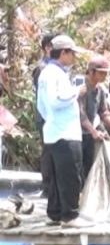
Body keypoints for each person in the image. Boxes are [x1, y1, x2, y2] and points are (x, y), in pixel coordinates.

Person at [36, 35, 92, 228]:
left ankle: (55, 214)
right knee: (69, 175)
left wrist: (50, 120)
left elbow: (42, 107)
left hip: (53, 131)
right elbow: (55, 100)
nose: (74, 58)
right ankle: (69, 215)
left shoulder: (47, 73)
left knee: (55, 176)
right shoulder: (54, 74)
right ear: (64, 53)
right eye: (72, 53)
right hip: (64, 133)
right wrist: (77, 92)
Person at [78, 56, 110, 180]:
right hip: (76, 135)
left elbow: (103, 112)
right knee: (77, 170)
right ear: (92, 71)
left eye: (106, 73)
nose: (105, 76)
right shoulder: (81, 87)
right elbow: (80, 113)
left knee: (88, 168)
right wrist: (94, 131)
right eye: (101, 73)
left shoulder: (99, 89)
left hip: (88, 135)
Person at [32, 33, 56, 196]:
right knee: (48, 149)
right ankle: (47, 185)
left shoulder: (56, 67)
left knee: (53, 148)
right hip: (45, 115)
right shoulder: (41, 68)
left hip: (54, 115)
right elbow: (43, 95)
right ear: (47, 48)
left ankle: (53, 184)